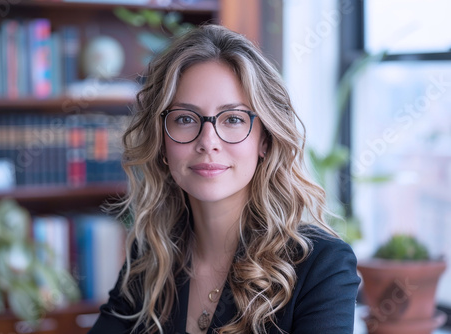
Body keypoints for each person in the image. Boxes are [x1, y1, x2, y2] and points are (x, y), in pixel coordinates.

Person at [89, 24, 360, 334]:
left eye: (232, 119)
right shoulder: (151, 257)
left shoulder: (322, 266)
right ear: (162, 142)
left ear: (265, 140)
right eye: (185, 119)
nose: (208, 141)